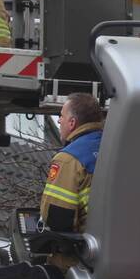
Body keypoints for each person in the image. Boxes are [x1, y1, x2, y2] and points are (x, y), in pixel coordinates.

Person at [40, 93, 105, 268]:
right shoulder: (116, 149)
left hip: (81, 262)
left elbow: (58, 219)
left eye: (61, 116)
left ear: (72, 122)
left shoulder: (68, 159)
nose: (59, 121)